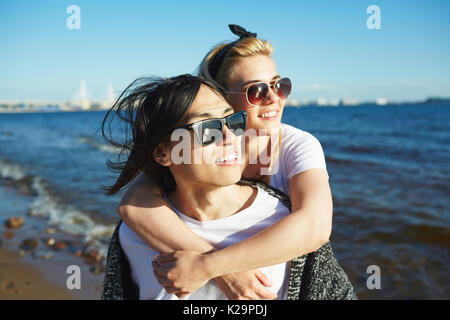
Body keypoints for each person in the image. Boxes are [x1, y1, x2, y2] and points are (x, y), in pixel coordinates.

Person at [116, 25, 334, 299]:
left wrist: (209, 267)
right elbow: (135, 205)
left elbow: (314, 225)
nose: (274, 98)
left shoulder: (296, 145)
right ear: (219, 93)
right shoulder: (196, 147)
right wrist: (224, 273)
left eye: (281, 85)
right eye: (256, 90)